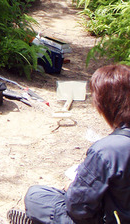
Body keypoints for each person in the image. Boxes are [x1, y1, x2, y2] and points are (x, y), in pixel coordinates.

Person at [7, 64, 130, 224]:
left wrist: (74, 187)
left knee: (36, 196)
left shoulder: (107, 150)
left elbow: (78, 208)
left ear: (103, 105)